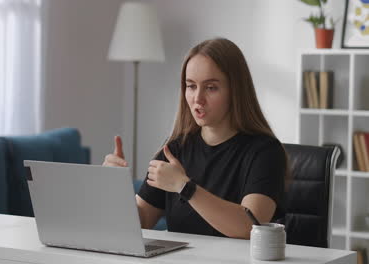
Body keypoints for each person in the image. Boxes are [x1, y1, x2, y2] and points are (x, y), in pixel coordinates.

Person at [103, 38, 287, 239]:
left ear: (236, 91)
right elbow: (142, 221)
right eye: (191, 86)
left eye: (211, 87)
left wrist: (184, 187)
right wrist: (115, 188)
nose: (197, 98)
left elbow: (250, 227)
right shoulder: (175, 149)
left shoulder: (265, 152)